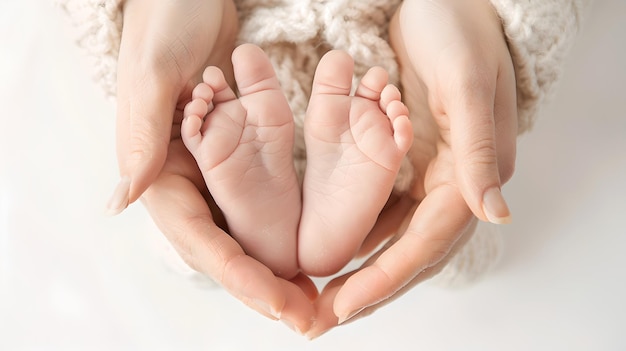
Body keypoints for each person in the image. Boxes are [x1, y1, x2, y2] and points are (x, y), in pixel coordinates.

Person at [58, 0, 591, 338]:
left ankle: (262, 227)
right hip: (392, 63)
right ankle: (309, 218)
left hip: (237, 55)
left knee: (190, 210)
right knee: (451, 226)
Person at [181, 43, 412, 278]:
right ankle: (310, 234)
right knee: (186, 233)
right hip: (321, 118)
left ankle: (266, 237)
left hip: (257, 109)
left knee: (184, 242)